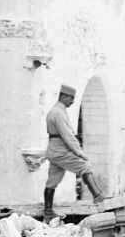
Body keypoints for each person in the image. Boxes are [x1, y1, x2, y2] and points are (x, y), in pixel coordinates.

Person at [44, 84, 111, 221]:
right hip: (60, 150)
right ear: (63, 96)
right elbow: (68, 136)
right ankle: (97, 196)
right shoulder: (59, 113)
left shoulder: (55, 111)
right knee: (85, 167)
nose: (73, 101)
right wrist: (80, 153)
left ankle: (48, 212)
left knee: (52, 182)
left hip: (54, 150)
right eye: (70, 98)